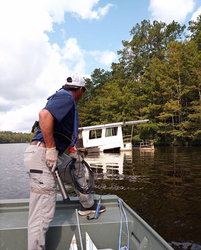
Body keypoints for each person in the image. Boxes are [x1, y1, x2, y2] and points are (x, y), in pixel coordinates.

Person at [24, 73, 106, 250]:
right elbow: (44, 115)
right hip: (41, 154)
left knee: (75, 167)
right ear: (80, 90)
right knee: (41, 215)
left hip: (52, 153)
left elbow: (59, 131)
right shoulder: (66, 98)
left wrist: (71, 151)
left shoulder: (63, 98)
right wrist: (51, 149)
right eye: (84, 92)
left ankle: (87, 204)